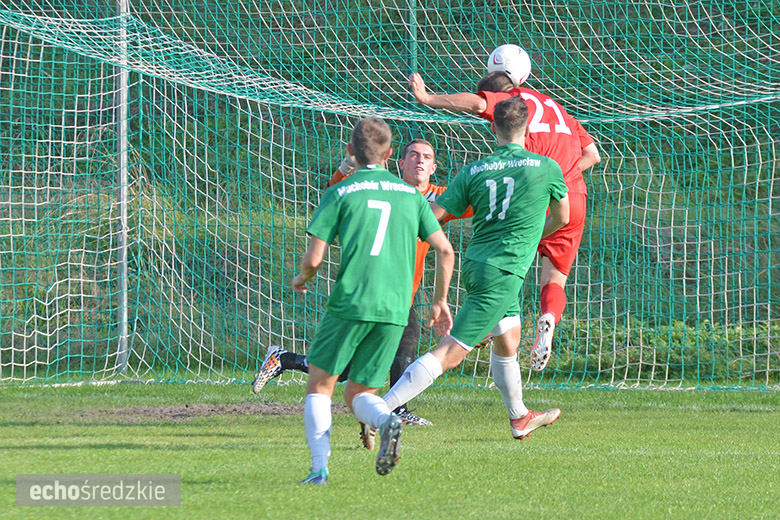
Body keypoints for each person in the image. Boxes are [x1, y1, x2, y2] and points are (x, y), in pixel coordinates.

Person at [252, 139, 472, 435]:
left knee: (353, 364)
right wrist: (346, 164)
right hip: (374, 291)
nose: (419, 161)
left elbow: (478, 201)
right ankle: (395, 411)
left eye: (427, 157)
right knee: (396, 343)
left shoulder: (442, 198)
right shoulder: (385, 190)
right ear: (400, 162)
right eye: (413, 155)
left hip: (400, 292)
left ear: (434, 167)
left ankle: (286, 359)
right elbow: (336, 187)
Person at [383, 96, 569, 440]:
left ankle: (519, 417)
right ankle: (380, 412)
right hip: (504, 271)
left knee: (509, 339)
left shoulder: (474, 170)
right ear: (527, 129)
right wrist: (532, 237)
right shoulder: (547, 167)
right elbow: (563, 217)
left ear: (493, 127)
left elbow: (434, 215)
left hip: (478, 266)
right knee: (449, 354)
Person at [291, 117, 455, 484]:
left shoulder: (340, 192)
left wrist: (303, 278)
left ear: (351, 151)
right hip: (396, 308)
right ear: (391, 154)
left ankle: (319, 469)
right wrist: (439, 300)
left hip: (352, 301)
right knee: (359, 392)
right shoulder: (412, 197)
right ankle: (386, 419)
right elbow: (445, 250)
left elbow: (314, 259)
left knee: (320, 385)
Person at [408, 65, 601, 371]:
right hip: (571, 195)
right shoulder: (558, 108)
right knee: (553, 280)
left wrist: (427, 98)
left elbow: (476, 104)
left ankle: (484, 319)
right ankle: (548, 317)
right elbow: (592, 154)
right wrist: (555, 181)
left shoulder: (513, 100)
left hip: (528, 194)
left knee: (501, 259)